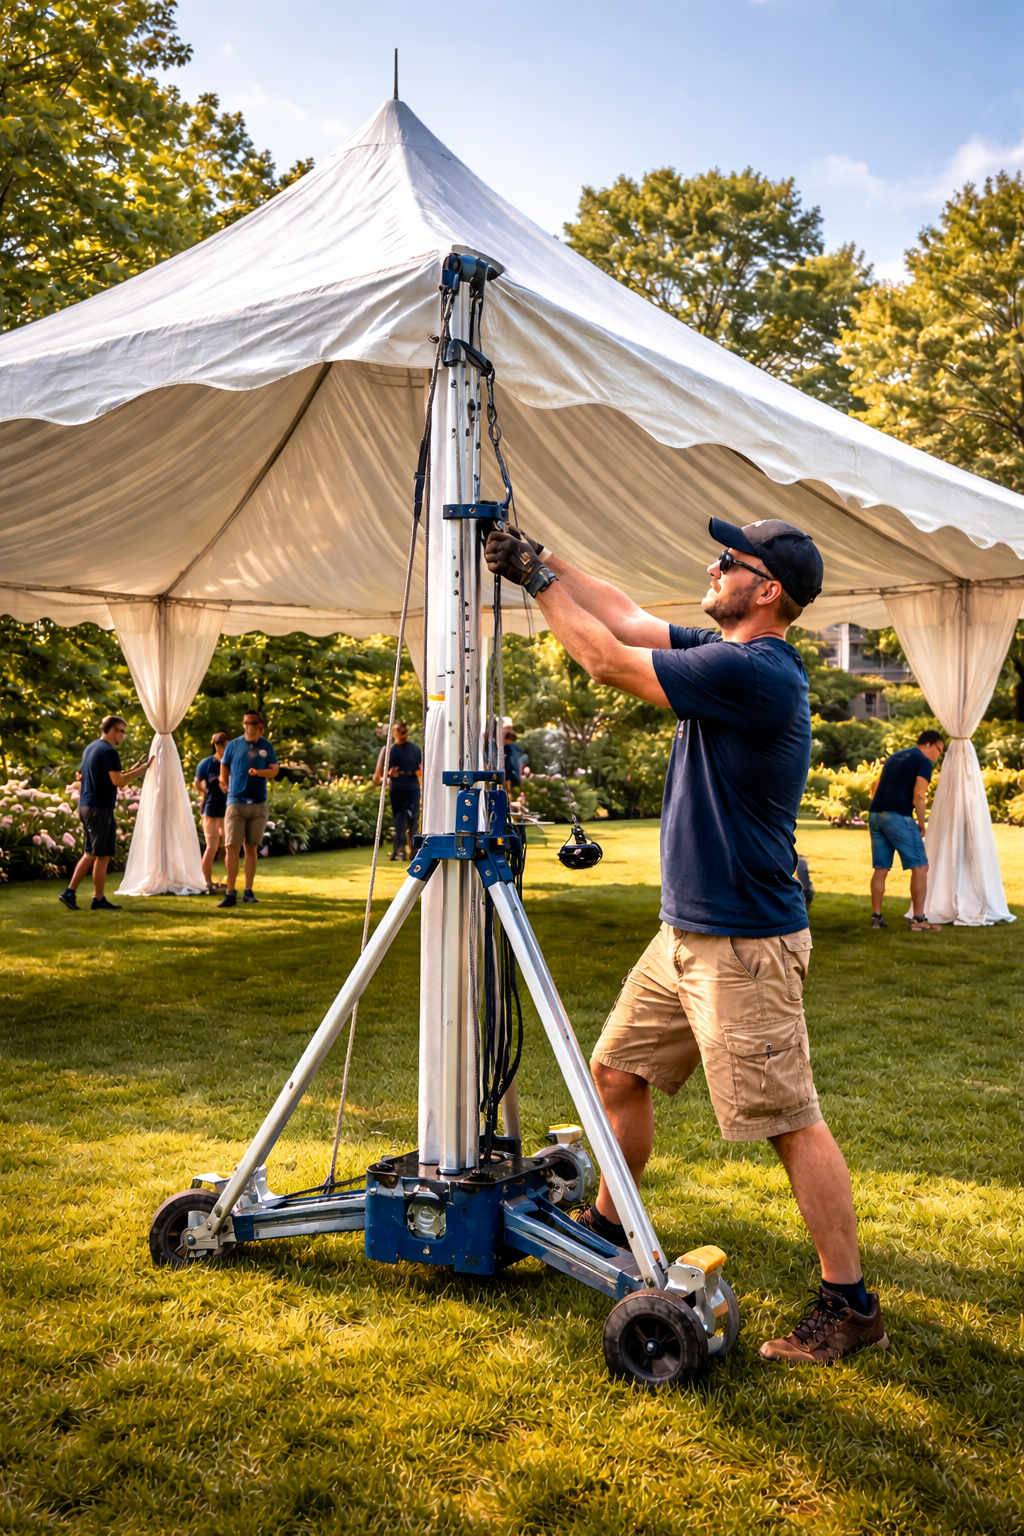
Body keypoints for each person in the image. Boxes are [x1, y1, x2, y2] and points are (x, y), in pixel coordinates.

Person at [485, 516, 889, 1366]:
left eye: (728, 560)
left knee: (788, 1120)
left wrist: (534, 581)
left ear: (766, 589)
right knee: (616, 1072)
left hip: (743, 944)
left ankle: (849, 1305)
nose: (712, 567)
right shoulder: (725, 651)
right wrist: (547, 557)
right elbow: (627, 617)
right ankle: (608, 1225)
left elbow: (608, 659)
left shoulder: (755, 671)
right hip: (684, 933)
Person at [58, 715, 151, 912]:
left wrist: (130, 771)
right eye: (121, 731)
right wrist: (141, 771)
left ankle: (98, 898)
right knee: (92, 852)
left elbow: (83, 775)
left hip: (91, 806)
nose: (123, 736)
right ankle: (69, 892)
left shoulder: (91, 748)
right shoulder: (109, 752)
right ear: (112, 730)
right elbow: (118, 782)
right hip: (98, 807)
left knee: (103, 853)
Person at [867, 730, 945, 931]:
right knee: (920, 866)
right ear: (929, 744)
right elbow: (919, 795)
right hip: (898, 816)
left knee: (881, 868)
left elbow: (875, 785)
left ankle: (876, 918)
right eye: (939, 750)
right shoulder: (924, 762)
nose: (938, 756)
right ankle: (919, 920)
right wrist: (921, 823)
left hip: (876, 814)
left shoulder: (895, 757)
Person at [218, 710, 278, 908]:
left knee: (251, 848)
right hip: (236, 802)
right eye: (245, 723)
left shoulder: (266, 746)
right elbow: (224, 764)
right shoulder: (234, 745)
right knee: (232, 848)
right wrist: (223, 780)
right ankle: (230, 892)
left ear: (260, 726)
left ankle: (248, 892)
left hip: (258, 805)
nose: (247, 726)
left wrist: (259, 772)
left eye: (252, 723)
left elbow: (274, 770)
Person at [373, 720, 422, 861]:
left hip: (413, 786)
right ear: (394, 733)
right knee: (399, 819)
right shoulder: (388, 750)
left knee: (413, 819)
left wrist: (420, 775)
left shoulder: (415, 749)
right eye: (398, 730)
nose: (402, 733)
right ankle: (399, 850)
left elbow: (423, 771)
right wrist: (389, 775)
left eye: (403, 730)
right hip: (398, 787)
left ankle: (414, 849)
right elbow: (377, 778)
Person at [193, 731, 229, 895]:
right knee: (212, 847)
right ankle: (206, 882)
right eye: (224, 745)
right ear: (216, 745)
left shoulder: (232, 763)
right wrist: (205, 789)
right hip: (212, 809)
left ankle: (231, 883)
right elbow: (197, 783)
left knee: (229, 849)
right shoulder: (207, 763)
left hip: (230, 809)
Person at [502, 718, 531, 788]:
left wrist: (524, 769)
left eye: (510, 729)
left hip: (513, 783)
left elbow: (523, 761)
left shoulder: (515, 748)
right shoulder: (493, 748)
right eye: (506, 729)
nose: (509, 732)